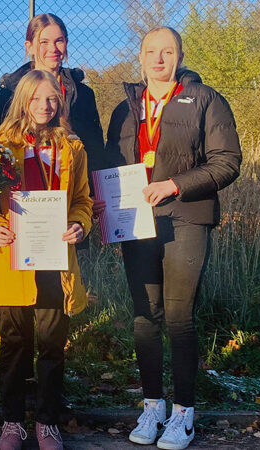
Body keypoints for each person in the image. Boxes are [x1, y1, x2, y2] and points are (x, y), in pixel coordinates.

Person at [105, 27, 241, 450]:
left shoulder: (206, 100)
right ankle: (152, 406)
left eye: (168, 51)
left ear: (180, 56)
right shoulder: (124, 109)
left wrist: (174, 185)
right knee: (145, 317)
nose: (159, 59)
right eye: (151, 51)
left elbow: (228, 161)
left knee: (179, 316)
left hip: (185, 217)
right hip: (137, 224)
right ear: (140, 57)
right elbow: (112, 165)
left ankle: (184, 414)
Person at [0, 70, 92, 450]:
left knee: (51, 343)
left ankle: (47, 422)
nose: (44, 106)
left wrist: (79, 224)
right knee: (13, 342)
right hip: (13, 257)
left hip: (55, 257)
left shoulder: (73, 147)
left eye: (52, 99)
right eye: (36, 98)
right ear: (22, 100)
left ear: (60, 102)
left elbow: (83, 200)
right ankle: (11, 423)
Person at [0, 13, 104, 184]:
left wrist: (94, 193)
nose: (53, 49)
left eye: (59, 41)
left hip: (71, 191)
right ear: (29, 46)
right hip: (23, 195)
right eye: (44, 42)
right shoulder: (9, 91)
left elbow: (94, 149)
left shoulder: (83, 94)